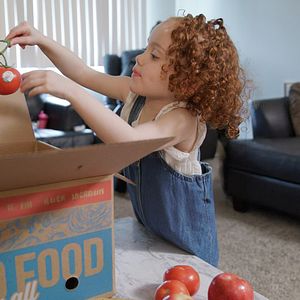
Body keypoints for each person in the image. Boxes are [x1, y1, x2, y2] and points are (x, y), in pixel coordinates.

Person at [6, 13, 247, 267]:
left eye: (154, 55)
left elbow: (128, 141)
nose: (139, 58)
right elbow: (82, 72)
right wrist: (42, 40)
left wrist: (69, 91)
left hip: (188, 243)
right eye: (146, 48)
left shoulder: (182, 118)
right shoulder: (134, 93)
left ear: (186, 80)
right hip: (151, 229)